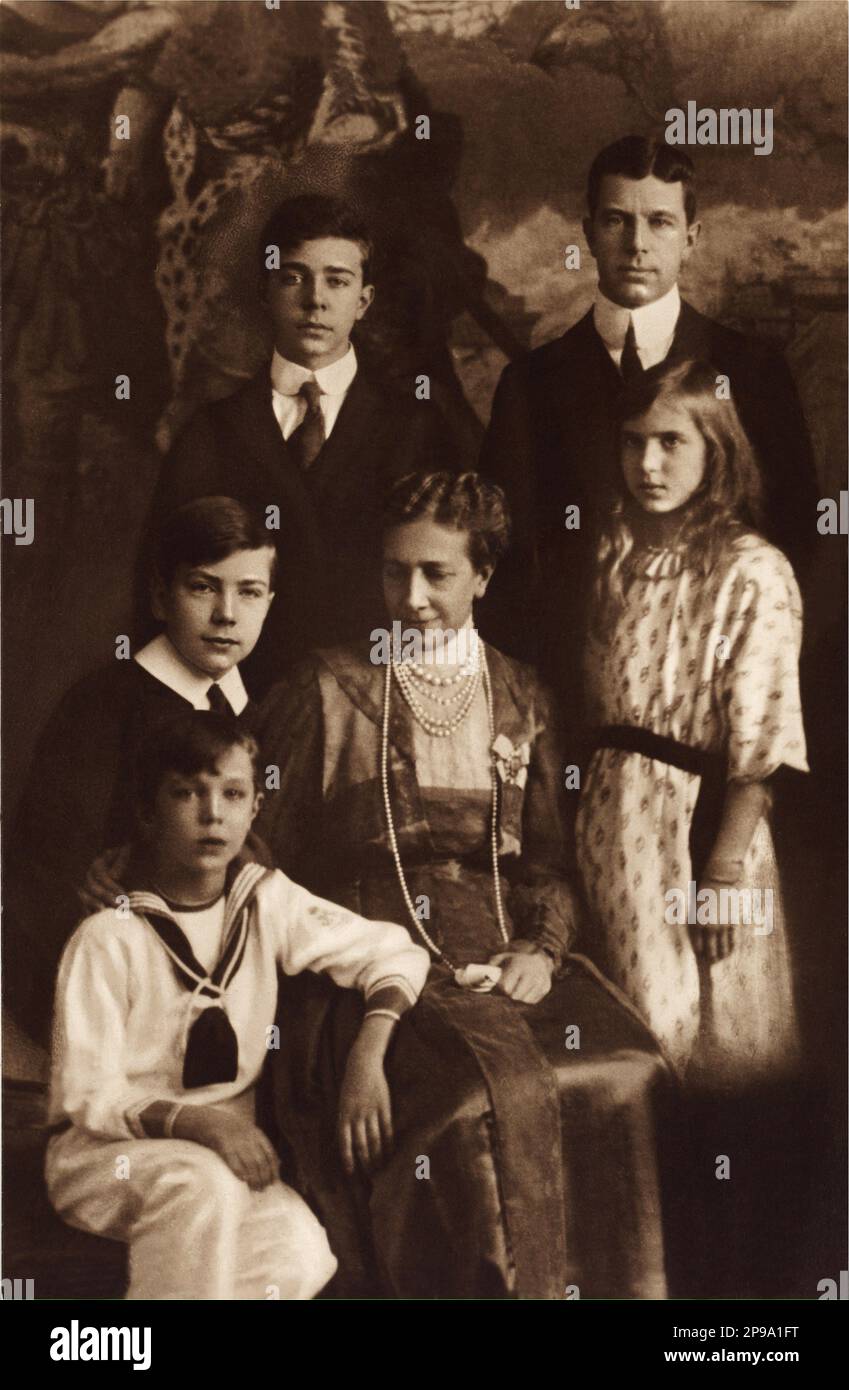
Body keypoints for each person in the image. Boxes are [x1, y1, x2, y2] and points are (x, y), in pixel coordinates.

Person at [254, 471, 671, 1300]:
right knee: (463, 1102)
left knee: (628, 1070)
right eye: (393, 571)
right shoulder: (326, 688)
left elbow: (546, 863)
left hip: (502, 953)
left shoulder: (521, 695)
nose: (410, 597)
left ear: (482, 575)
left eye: (436, 574)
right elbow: (256, 851)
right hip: (358, 964)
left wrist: (542, 952)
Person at [45, 712, 429, 1301]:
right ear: (146, 815)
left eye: (232, 793)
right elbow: (86, 1095)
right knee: (200, 1190)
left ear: (254, 811)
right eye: (185, 793)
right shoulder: (107, 937)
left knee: (300, 1255)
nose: (212, 814)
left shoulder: (265, 904)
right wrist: (200, 1122)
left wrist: (367, 1054)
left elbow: (394, 952)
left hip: (225, 1157)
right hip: (109, 1157)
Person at [479, 135, 818, 716]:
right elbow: (503, 566)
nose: (637, 245)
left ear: (691, 238)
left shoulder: (752, 373)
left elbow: (793, 541)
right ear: (588, 233)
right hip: (567, 705)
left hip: (711, 704)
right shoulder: (531, 384)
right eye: (616, 221)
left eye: (659, 223)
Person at [575, 359, 808, 1085]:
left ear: (714, 451)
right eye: (631, 441)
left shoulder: (750, 570)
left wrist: (721, 876)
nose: (647, 463)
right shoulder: (611, 558)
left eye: (671, 442)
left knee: (701, 1041)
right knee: (619, 1046)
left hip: (698, 833)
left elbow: (762, 750)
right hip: (611, 830)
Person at [141, 193, 454, 694]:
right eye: (293, 277)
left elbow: (443, 588)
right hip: (239, 707)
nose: (315, 300)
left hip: (373, 702)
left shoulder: (414, 428)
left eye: (337, 280)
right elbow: (158, 587)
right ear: (264, 290)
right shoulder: (213, 431)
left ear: (364, 301)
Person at [5, 495, 276, 1044]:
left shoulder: (261, 708)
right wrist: (91, 888)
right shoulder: (105, 705)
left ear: (269, 601)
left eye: (248, 592)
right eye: (202, 587)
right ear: (160, 595)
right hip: (109, 972)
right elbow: (46, 869)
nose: (227, 613)